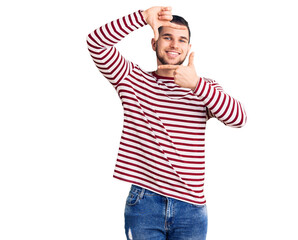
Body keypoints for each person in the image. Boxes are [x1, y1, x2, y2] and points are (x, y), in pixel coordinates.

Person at [87, 6, 247, 240]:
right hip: (144, 203)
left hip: (191, 208)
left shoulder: (203, 88)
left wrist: (196, 85)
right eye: (167, 37)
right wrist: (141, 17)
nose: (174, 45)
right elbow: (96, 44)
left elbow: (239, 119)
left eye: (182, 40)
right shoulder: (131, 79)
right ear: (154, 43)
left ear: (188, 48)